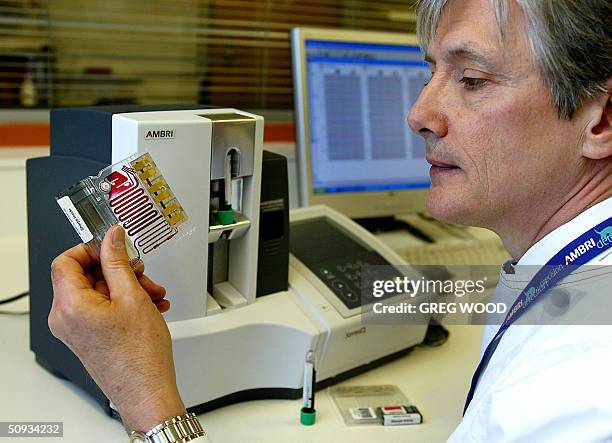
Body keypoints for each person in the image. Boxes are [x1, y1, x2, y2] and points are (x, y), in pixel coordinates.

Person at [49, 0, 611, 441]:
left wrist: (148, 405)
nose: (417, 115)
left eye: (472, 80)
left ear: (601, 120)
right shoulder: (570, 274)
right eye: (432, 72)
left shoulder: (575, 388)